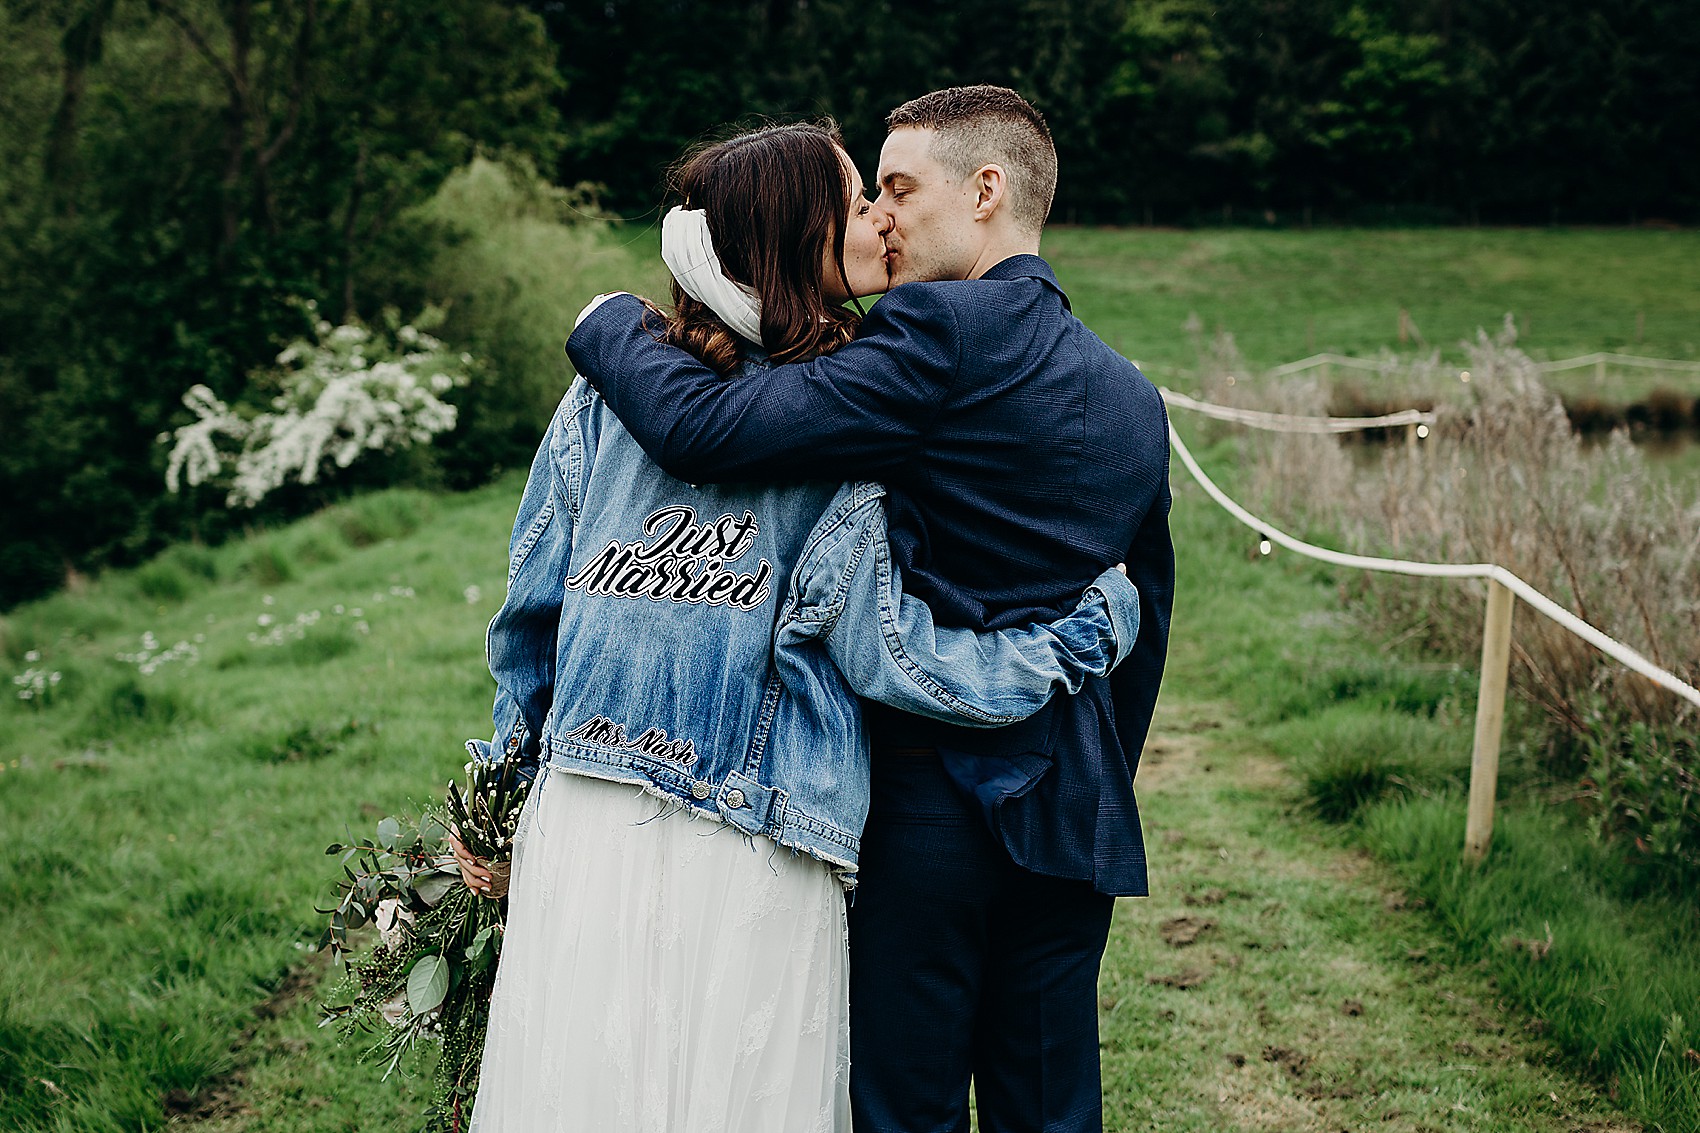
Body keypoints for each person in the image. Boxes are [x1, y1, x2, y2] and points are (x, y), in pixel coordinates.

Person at [454, 120, 1144, 1133]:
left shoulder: (606, 395)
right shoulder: (863, 436)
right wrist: (1084, 640)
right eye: (861, 196)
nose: (879, 217)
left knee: (581, 1088)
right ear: (795, 233)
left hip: (589, 819)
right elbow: (900, 655)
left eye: (891, 189)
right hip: (768, 831)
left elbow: (529, 617)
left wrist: (505, 791)